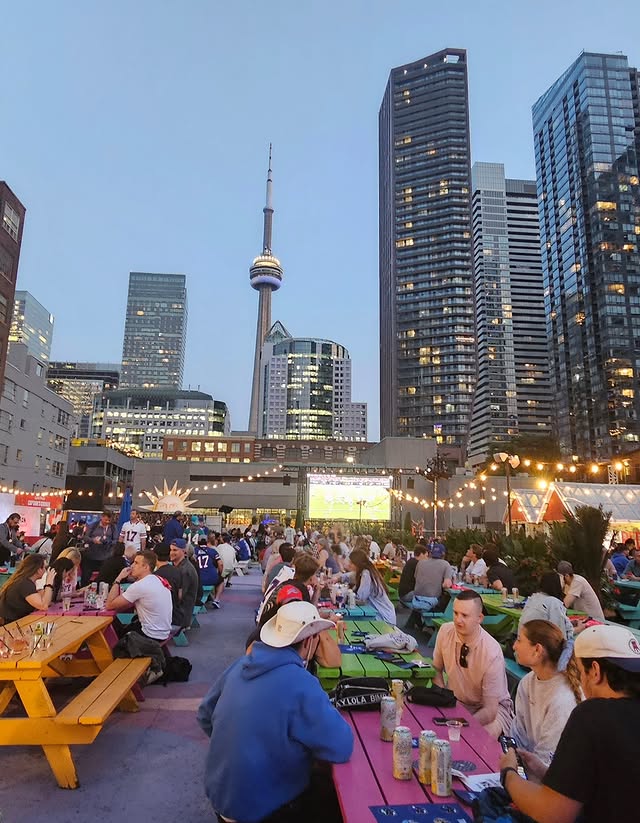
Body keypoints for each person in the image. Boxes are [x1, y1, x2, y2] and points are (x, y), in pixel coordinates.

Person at [197, 601, 353, 823]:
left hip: (220, 797)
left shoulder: (239, 665)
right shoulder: (301, 681)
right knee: (335, 799)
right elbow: (341, 747)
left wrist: (243, 742)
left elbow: (205, 714)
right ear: (309, 641)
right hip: (264, 809)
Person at [499, 623, 640, 823]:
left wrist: (508, 773)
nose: (580, 682)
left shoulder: (593, 716)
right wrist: (546, 773)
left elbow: (552, 814)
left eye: (580, 672)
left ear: (595, 671)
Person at [433, 589, 514, 737]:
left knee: (477, 737)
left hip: (492, 710)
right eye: (455, 613)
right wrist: (443, 697)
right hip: (456, 701)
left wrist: (460, 724)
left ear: (479, 618)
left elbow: (490, 711)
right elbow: (436, 670)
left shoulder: (491, 651)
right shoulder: (445, 631)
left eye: (464, 615)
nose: (458, 620)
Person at [510, 619, 582, 765]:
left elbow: (545, 760)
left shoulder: (562, 699)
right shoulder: (527, 682)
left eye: (519, 640)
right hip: (525, 766)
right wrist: (512, 756)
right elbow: (517, 734)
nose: (514, 646)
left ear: (537, 650)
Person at [105, 550, 172, 641]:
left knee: (113, 626)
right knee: (122, 625)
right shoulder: (158, 579)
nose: (132, 566)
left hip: (150, 635)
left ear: (146, 567)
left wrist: (118, 578)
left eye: (136, 563)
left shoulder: (140, 585)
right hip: (163, 631)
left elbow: (109, 605)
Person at [520, 571, 574, 669]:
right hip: (539, 659)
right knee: (571, 643)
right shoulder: (553, 603)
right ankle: (563, 672)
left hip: (523, 655)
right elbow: (560, 635)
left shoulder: (533, 598)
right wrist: (577, 629)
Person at [339, 548, 396, 625]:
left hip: (383, 616)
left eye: (351, 563)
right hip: (383, 613)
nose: (349, 565)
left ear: (357, 563)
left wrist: (345, 594)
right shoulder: (367, 571)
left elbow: (360, 598)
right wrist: (339, 578)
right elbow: (350, 576)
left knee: (346, 620)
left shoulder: (366, 574)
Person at [0, 554, 57, 623]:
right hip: (10, 624)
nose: (45, 571)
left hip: (16, 620)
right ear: (38, 569)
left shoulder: (26, 581)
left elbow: (44, 599)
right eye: (44, 568)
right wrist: (49, 583)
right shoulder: (25, 584)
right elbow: (43, 605)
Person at [170, 538, 200, 630]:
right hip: (181, 612)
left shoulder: (185, 570)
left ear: (183, 551)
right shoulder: (180, 566)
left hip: (181, 616)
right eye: (170, 550)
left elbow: (180, 596)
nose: (171, 553)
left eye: (175, 550)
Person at [80, 512, 117, 586]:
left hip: (106, 556)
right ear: (101, 517)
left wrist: (108, 542)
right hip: (92, 555)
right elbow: (85, 537)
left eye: (109, 520)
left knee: (104, 578)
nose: (107, 522)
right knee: (86, 576)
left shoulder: (113, 527)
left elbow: (116, 540)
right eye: (106, 520)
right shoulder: (93, 525)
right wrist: (93, 540)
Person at [154, 543, 183, 627]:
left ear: (155, 555)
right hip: (176, 615)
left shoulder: (155, 576)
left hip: (161, 618)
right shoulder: (177, 571)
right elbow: (180, 595)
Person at [195, 537, 224, 608]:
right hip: (211, 578)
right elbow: (220, 564)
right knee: (221, 581)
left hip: (198, 579)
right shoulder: (212, 551)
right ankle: (216, 600)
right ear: (207, 542)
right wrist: (220, 573)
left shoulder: (194, 551)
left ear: (198, 542)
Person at [398, 542, 428, 607]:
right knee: (430, 595)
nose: (427, 558)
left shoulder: (410, 561)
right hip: (407, 595)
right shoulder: (418, 564)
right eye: (426, 556)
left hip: (402, 593)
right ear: (421, 554)